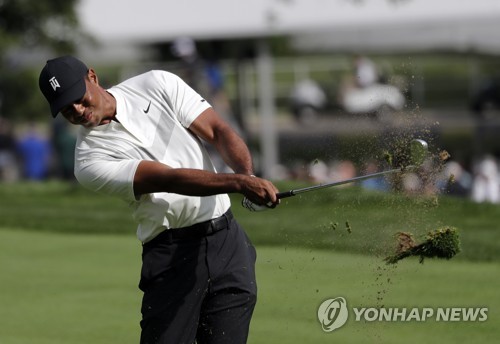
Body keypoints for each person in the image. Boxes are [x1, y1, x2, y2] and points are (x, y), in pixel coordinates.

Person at [38, 55, 280, 344]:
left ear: (92, 77)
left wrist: (247, 175)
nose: (77, 110)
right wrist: (238, 183)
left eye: (79, 98)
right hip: (171, 255)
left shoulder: (156, 83)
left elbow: (217, 130)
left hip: (228, 243)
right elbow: (169, 178)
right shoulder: (89, 161)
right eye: (66, 109)